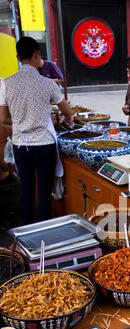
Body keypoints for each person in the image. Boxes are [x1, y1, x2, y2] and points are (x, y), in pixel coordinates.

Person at [0, 36, 73, 225]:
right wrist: (66, 119)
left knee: (26, 189)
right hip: (44, 145)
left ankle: (26, 230)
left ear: (17, 57)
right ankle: (45, 235)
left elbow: (3, 118)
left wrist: (19, 120)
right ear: (37, 54)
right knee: (43, 191)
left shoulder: (6, 84)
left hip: (20, 144)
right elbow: (67, 111)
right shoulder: (48, 83)